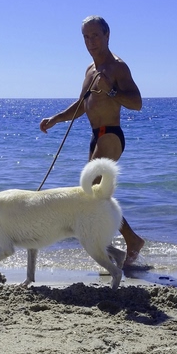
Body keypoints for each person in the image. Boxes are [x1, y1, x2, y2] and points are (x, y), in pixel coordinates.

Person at [39, 15, 144, 267]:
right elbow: (82, 104)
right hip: (96, 136)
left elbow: (137, 103)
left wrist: (112, 91)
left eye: (95, 35)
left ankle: (128, 241)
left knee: (92, 190)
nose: (90, 41)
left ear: (107, 35)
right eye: (86, 37)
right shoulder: (90, 69)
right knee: (95, 195)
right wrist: (56, 119)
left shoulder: (117, 67)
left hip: (111, 134)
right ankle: (119, 245)